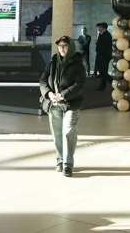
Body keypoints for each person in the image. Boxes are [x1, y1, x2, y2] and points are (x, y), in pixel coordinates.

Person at [39, 36, 86, 177]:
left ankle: (67, 164)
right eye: (60, 46)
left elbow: (79, 85)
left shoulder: (78, 65)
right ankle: (60, 160)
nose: (62, 48)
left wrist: (63, 95)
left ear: (70, 47)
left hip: (71, 103)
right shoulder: (53, 62)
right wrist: (49, 93)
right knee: (57, 134)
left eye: (65, 46)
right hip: (54, 104)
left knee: (68, 132)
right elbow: (43, 80)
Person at [94, 22, 113, 90]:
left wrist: (101, 55)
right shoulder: (101, 34)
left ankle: (112, 82)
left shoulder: (107, 35)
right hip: (100, 54)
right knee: (102, 71)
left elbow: (104, 46)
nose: (98, 28)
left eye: (98, 27)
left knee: (103, 71)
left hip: (104, 55)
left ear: (102, 27)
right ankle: (102, 86)